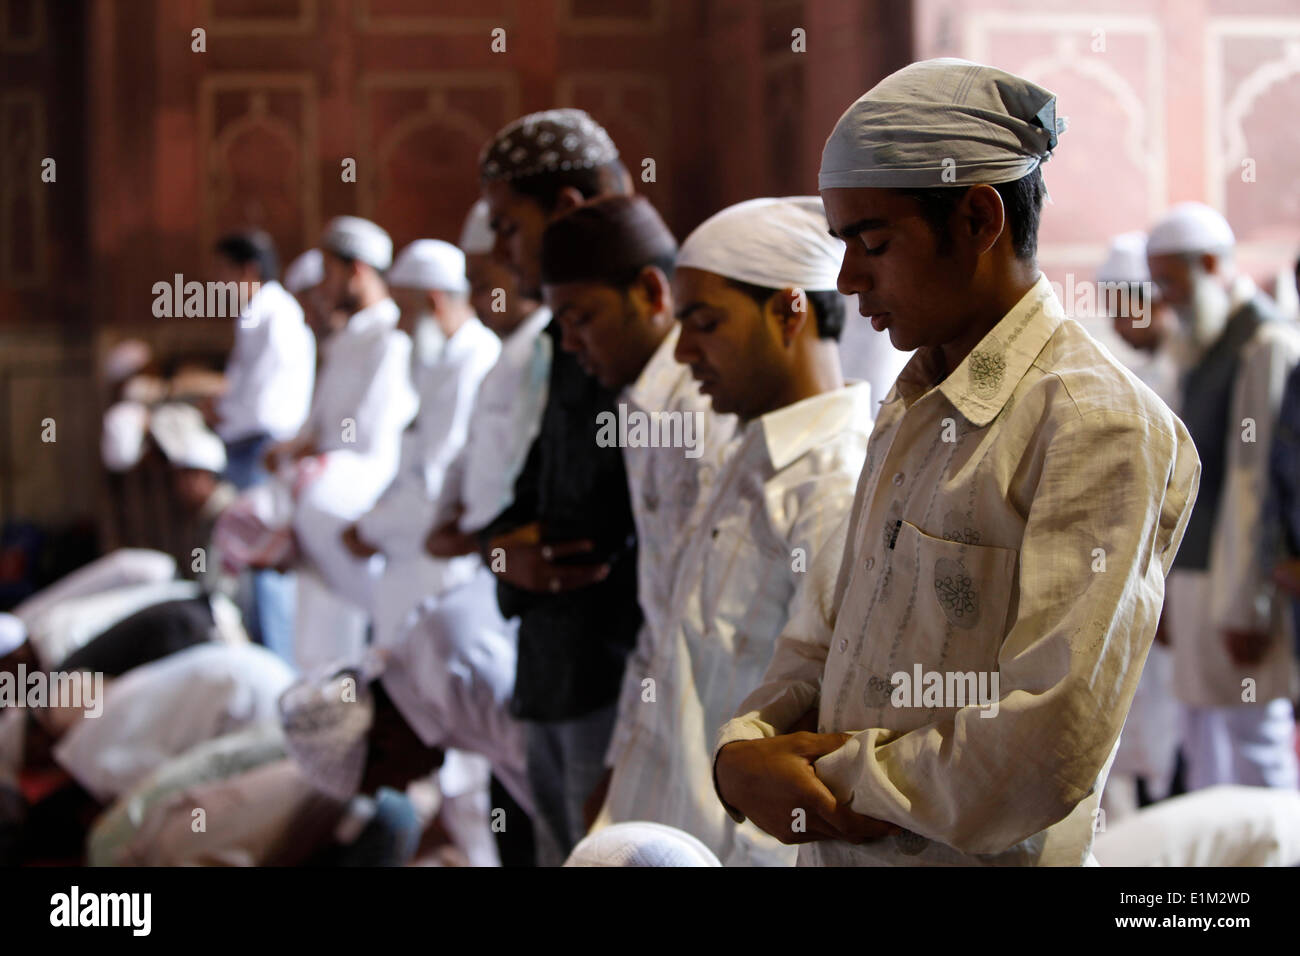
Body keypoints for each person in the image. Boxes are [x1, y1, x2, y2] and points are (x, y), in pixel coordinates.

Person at [712, 58, 1201, 866]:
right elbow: (823, 633)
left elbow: (1043, 746)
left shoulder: (1093, 426)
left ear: (978, 219)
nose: (848, 278)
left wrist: (820, 779)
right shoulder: (917, 398)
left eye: (872, 241)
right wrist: (746, 749)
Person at [586, 196, 872, 866]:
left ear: (788, 312)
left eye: (705, 323)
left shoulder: (834, 486)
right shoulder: (746, 452)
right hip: (661, 819)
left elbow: (817, 733)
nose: (683, 352)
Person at [475, 108, 641, 864]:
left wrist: (515, 554)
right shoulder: (564, 337)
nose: (499, 252)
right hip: (549, 669)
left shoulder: (641, 341)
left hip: (613, 680)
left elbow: (625, 537)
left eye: (509, 227)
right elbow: (524, 505)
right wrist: (504, 557)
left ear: (567, 210)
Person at [1147, 201, 1300, 793]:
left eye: (1170, 280)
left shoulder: (1264, 342)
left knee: (1254, 741)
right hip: (1193, 576)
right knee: (1201, 740)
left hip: (1237, 581)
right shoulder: (1201, 344)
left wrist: (1246, 605)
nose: (1164, 297)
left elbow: (1253, 481)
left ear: (1209, 263)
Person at [264, 216, 419, 673]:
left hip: (358, 487)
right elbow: (321, 424)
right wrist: (294, 448)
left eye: (329, 273)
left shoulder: (390, 341)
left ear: (357, 270)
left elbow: (369, 434)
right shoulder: (344, 340)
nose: (322, 287)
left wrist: (313, 459)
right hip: (324, 484)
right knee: (314, 636)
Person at [343, 239, 500, 649]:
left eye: (406, 311)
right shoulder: (443, 364)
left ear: (433, 303)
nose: (400, 327)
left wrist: (370, 528)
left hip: (433, 568)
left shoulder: (472, 364)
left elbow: (435, 489)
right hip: (409, 558)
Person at [1094, 232, 1183, 820]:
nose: (1116, 322)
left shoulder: (1177, 374)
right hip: (1138, 576)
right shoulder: (1132, 371)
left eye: (1121, 306)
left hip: (1181, 580)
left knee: (1184, 725)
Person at [209, 230, 315, 492]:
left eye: (223, 271)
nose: (217, 281)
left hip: (262, 444)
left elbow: (261, 396)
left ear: (248, 270)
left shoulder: (275, 316)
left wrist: (221, 413)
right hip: (248, 438)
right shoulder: (257, 315)